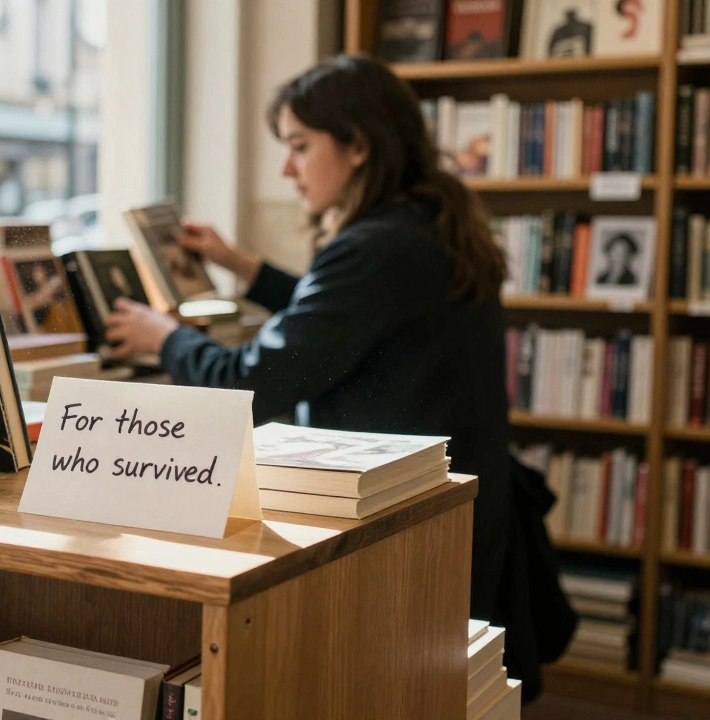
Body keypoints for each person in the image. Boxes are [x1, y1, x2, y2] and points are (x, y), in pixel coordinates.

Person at [103, 55, 552, 700]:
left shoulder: (371, 248)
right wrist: (243, 265)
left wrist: (164, 337)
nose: (287, 169)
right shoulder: (426, 221)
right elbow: (351, 316)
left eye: (299, 147)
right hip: (456, 506)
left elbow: (248, 384)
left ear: (359, 146)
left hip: (400, 525)